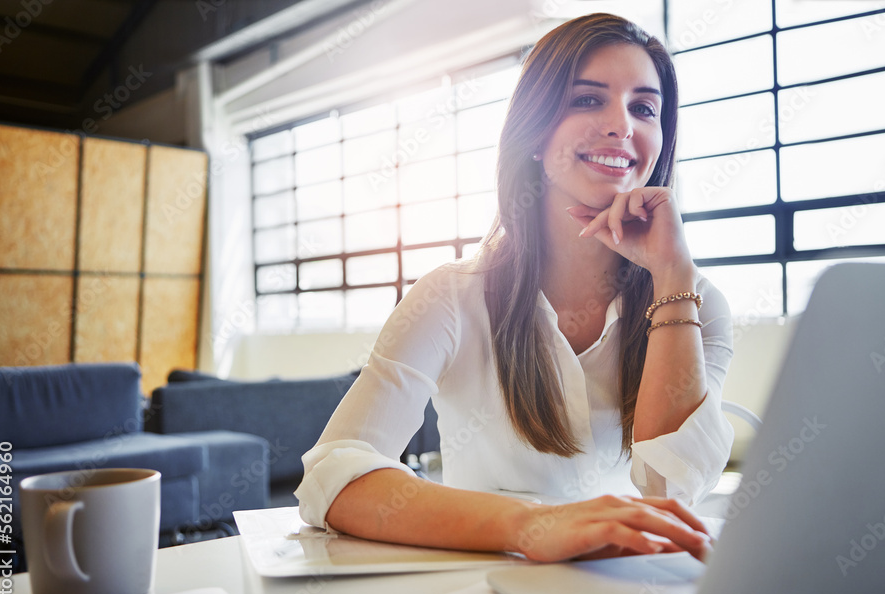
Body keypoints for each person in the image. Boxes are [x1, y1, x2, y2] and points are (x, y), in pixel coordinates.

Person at [294, 13, 734, 563]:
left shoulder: (695, 300)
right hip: (482, 592)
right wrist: (533, 525)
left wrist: (672, 278)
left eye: (644, 108)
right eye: (587, 100)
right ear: (534, 134)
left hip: (629, 590)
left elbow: (672, 489)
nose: (621, 125)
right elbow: (333, 477)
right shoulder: (450, 297)